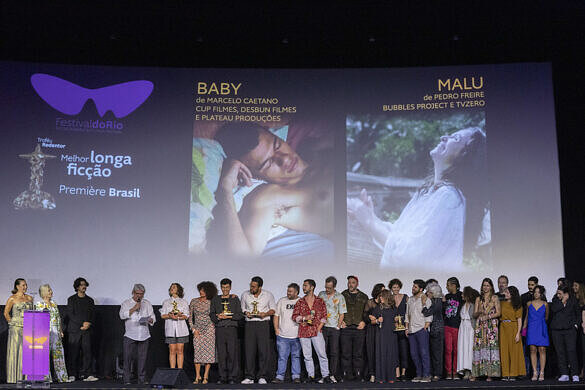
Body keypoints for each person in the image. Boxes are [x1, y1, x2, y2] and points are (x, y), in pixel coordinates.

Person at [348, 127, 488, 270]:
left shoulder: (449, 197)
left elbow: (410, 257)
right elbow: (397, 237)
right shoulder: (429, 192)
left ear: (465, 156)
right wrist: (370, 217)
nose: (444, 137)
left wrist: (370, 222)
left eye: (455, 138)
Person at [209, 122, 334, 256]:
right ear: (252, 174)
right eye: (267, 163)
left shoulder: (317, 150)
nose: (285, 160)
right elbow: (243, 258)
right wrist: (225, 189)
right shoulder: (270, 198)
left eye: (277, 145)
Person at [292, 279, 335, 383]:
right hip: (304, 331)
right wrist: (304, 318)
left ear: (312, 287)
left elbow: (324, 316)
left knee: (322, 354)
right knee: (307, 356)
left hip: (316, 331)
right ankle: (310, 376)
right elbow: (295, 317)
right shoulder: (300, 301)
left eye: (305, 286)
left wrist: (319, 328)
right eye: (303, 285)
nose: (303, 287)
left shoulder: (319, 301)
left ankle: (326, 375)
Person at [240, 276, 276, 384]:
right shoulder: (245, 294)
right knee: (249, 351)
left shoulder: (268, 295)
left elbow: (273, 310)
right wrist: (246, 313)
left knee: (263, 351)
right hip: (249, 325)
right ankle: (249, 377)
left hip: (263, 324)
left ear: (260, 287)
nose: (251, 288)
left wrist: (265, 314)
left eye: (254, 286)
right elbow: (243, 309)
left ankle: (262, 376)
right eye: (251, 285)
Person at [119, 284, 155, 385]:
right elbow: (122, 316)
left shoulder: (147, 303)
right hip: (130, 334)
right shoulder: (126, 303)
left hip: (144, 334)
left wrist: (151, 319)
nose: (139, 296)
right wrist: (134, 308)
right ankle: (126, 380)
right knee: (127, 358)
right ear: (133, 293)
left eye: (141, 294)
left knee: (142, 358)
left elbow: (153, 317)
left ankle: (142, 380)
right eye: (137, 294)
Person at [209, 278, 244, 384]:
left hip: (232, 329)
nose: (225, 289)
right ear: (220, 287)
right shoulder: (215, 299)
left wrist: (229, 316)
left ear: (230, 287)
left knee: (232, 354)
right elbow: (211, 314)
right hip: (220, 329)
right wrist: (218, 317)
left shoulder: (235, 299)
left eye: (227, 287)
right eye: (223, 287)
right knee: (222, 354)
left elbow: (240, 315)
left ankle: (232, 377)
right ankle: (222, 377)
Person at [35, 284, 70, 383]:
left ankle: (62, 377)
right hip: (45, 332)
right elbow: (38, 320)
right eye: (49, 290)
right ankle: (46, 378)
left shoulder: (54, 303)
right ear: (44, 292)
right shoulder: (39, 304)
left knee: (59, 354)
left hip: (56, 332)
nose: (51, 292)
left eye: (51, 290)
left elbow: (58, 318)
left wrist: (60, 330)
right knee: (44, 354)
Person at [66, 277, 97, 382]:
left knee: (87, 353)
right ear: (77, 287)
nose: (84, 286)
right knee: (73, 353)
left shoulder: (90, 300)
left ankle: (88, 374)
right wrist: (82, 323)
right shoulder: (71, 299)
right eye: (81, 285)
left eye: (85, 284)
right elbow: (71, 314)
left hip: (86, 330)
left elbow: (93, 315)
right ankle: (73, 374)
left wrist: (88, 323)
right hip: (75, 330)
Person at [3, 278, 33, 383]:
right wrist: (11, 323)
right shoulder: (12, 298)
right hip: (16, 328)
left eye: (26, 285)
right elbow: (6, 313)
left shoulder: (30, 298)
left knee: (27, 352)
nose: (25, 287)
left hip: (28, 327)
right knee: (16, 351)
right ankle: (14, 377)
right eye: (23, 285)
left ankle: (26, 377)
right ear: (17, 286)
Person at [472, 277, 501, 381]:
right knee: (479, 347)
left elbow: (498, 313)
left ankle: (490, 373)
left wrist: (488, 317)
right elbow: (474, 314)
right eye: (484, 285)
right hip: (480, 325)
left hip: (490, 325)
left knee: (490, 347)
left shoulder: (494, 298)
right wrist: (479, 312)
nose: (485, 287)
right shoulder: (478, 298)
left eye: (487, 285)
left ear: (491, 287)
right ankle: (477, 373)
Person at [340, 275, 368, 381]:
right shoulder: (342, 295)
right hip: (346, 328)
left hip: (359, 328)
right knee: (345, 353)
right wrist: (340, 321)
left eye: (353, 282)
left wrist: (364, 322)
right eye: (349, 282)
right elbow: (337, 309)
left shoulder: (363, 296)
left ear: (357, 284)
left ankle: (358, 374)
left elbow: (367, 312)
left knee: (358, 353)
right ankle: (346, 375)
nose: (350, 284)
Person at [318, 276, 346, 381]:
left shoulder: (340, 296)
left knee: (334, 352)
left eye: (329, 288)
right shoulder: (321, 295)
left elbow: (342, 313)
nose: (327, 290)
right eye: (326, 287)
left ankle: (332, 374)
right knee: (322, 351)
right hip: (323, 327)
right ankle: (323, 375)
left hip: (334, 328)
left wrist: (338, 326)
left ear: (334, 287)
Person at [550, 285, 581, 382]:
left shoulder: (573, 300)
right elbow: (553, 309)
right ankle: (564, 374)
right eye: (557, 293)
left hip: (570, 330)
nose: (558, 295)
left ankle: (575, 374)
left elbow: (578, 314)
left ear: (566, 293)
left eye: (560, 293)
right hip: (557, 330)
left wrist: (576, 325)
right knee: (560, 352)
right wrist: (562, 301)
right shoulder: (555, 299)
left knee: (571, 351)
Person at [189, 281, 218, 384]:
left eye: (203, 290)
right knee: (197, 352)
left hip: (210, 329)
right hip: (197, 330)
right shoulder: (194, 301)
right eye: (200, 290)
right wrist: (193, 329)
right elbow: (190, 318)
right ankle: (197, 376)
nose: (201, 292)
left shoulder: (212, 301)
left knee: (209, 353)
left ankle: (205, 376)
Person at [272, 283, 301, 384]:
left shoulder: (301, 301)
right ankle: (280, 376)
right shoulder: (281, 301)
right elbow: (276, 316)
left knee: (296, 356)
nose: (288, 293)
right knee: (282, 357)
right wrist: (276, 329)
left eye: (290, 291)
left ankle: (296, 376)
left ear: (296, 292)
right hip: (282, 336)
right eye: (287, 291)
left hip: (297, 335)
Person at [405, 279, 432, 383]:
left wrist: (426, 325)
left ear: (421, 289)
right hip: (412, 330)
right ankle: (419, 374)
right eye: (413, 286)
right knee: (414, 354)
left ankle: (426, 375)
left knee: (424, 353)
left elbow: (429, 314)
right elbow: (407, 314)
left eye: (415, 287)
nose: (413, 288)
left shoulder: (425, 299)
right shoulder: (410, 299)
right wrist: (407, 328)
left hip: (421, 329)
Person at [371, 290, 399, 383]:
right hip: (381, 334)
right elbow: (372, 321)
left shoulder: (393, 308)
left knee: (391, 355)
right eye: (380, 297)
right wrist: (378, 320)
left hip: (391, 334)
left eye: (382, 296)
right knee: (381, 354)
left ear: (387, 297)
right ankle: (380, 377)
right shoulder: (378, 308)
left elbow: (398, 320)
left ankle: (391, 377)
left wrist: (396, 320)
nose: (380, 298)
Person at [160, 283, 189, 369]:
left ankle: (179, 371)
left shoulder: (184, 302)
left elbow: (186, 316)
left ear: (178, 290)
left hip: (181, 330)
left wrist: (179, 316)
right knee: (172, 350)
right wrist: (170, 316)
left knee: (180, 350)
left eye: (174, 287)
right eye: (171, 287)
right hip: (170, 330)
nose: (172, 288)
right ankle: (173, 371)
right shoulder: (166, 302)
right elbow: (162, 315)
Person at [499, 286, 526, 380]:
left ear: (512, 294)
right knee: (504, 350)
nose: (505, 294)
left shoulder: (517, 305)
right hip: (503, 327)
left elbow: (519, 319)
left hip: (513, 327)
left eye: (507, 292)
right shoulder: (501, 303)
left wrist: (518, 333)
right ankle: (505, 373)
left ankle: (514, 373)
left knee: (514, 351)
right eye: (505, 292)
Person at [523, 285, 549, 381]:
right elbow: (526, 317)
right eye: (535, 292)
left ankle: (542, 372)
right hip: (532, 328)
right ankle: (535, 372)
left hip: (541, 327)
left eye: (538, 292)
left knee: (542, 349)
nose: (536, 294)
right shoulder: (529, 303)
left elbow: (546, 317)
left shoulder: (545, 304)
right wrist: (524, 328)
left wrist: (540, 323)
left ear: (541, 294)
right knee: (532, 349)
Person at [364, 283, 386, 383]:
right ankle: (372, 373)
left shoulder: (385, 303)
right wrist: (369, 317)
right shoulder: (370, 302)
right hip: (371, 330)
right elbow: (364, 316)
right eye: (382, 290)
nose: (384, 293)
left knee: (381, 351)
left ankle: (381, 373)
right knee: (371, 351)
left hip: (382, 330)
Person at [423, 282, 444, 381]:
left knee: (437, 353)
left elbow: (428, 312)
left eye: (429, 292)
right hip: (433, 330)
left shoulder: (437, 302)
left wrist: (423, 305)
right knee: (432, 353)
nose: (427, 294)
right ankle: (432, 373)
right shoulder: (432, 301)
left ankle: (437, 374)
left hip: (437, 330)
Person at [443, 276, 463, 380]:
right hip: (447, 326)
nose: (446, 287)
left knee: (456, 350)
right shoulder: (447, 296)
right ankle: (448, 371)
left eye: (448, 285)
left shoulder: (461, 295)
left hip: (457, 326)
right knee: (448, 349)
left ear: (454, 285)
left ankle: (455, 371)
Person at [389, 278, 409, 381]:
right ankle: (396, 374)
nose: (395, 289)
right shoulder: (389, 299)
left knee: (404, 351)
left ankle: (403, 373)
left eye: (397, 287)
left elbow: (409, 312)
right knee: (394, 352)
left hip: (403, 329)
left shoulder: (405, 297)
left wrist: (407, 326)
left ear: (400, 287)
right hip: (392, 329)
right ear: (391, 288)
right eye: (393, 287)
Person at [457, 286, 478, 380]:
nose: (462, 295)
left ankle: (471, 370)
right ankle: (465, 370)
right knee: (463, 348)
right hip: (463, 327)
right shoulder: (462, 305)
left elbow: (474, 318)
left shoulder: (473, 305)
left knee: (470, 348)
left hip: (470, 327)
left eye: (463, 294)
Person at [520, 276, 539, 376]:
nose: (530, 287)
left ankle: (537, 371)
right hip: (526, 326)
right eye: (529, 284)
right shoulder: (523, 297)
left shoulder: (541, 297)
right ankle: (526, 371)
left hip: (537, 327)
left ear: (536, 284)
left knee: (537, 349)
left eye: (532, 285)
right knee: (526, 349)